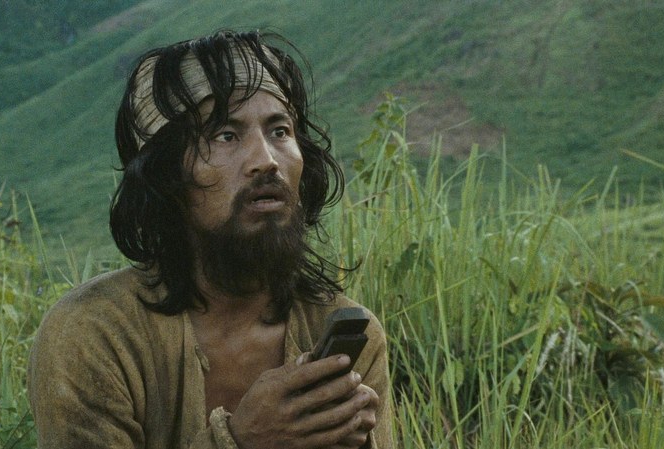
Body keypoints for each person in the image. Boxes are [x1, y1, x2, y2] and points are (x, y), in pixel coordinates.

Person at [27, 30, 392, 448]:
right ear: (166, 175)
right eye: (225, 136)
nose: (266, 160)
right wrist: (242, 441)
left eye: (279, 131)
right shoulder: (94, 334)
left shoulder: (346, 333)